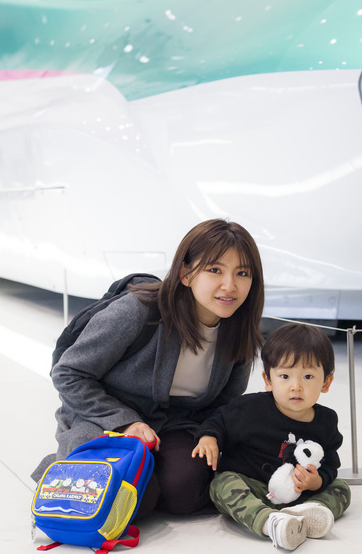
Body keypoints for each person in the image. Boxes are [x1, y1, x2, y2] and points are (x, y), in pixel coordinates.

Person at [33, 218, 266, 518]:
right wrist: (125, 422)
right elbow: (69, 373)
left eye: (242, 273)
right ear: (185, 274)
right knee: (128, 499)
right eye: (215, 270)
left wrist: (212, 435)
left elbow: (224, 403)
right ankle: (73, 459)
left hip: (174, 424)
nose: (230, 286)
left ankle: (145, 473)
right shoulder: (138, 310)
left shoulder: (239, 330)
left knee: (184, 493)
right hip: (104, 417)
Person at [192, 323, 351, 551]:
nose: (296, 386)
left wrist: (316, 481)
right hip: (253, 486)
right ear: (268, 380)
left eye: (308, 376)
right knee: (223, 483)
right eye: (285, 376)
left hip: (299, 493)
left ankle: (306, 513)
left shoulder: (326, 421)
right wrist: (209, 438)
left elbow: (330, 464)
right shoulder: (250, 409)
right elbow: (219, 422)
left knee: (341, 487)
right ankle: (269, 522)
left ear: (326, 383)